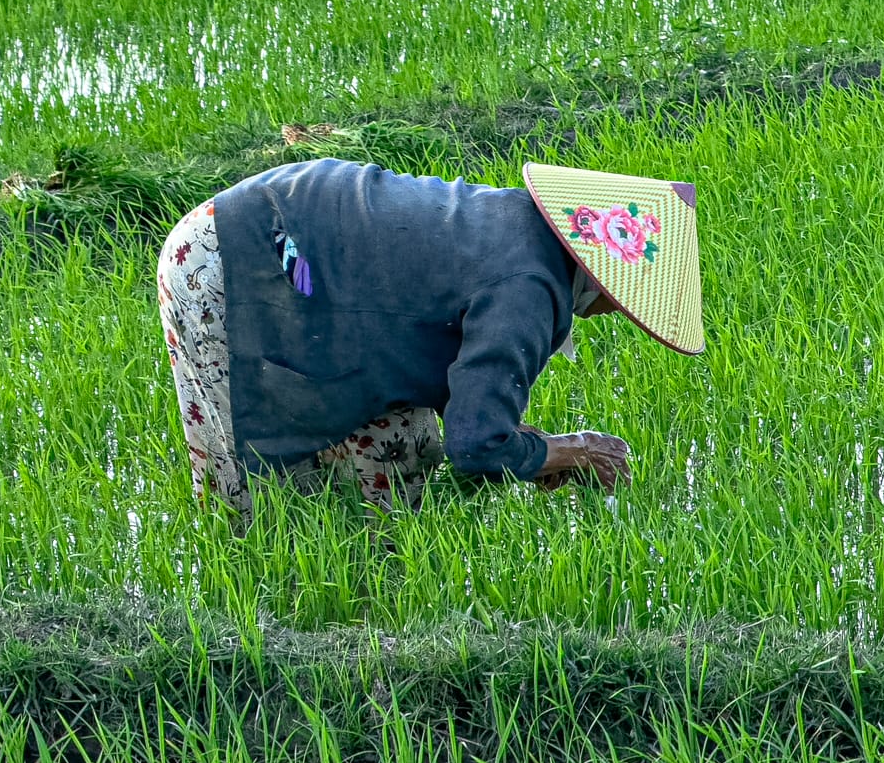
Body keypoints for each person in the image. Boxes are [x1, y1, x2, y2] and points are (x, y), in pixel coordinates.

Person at [155, 157, 704, 521]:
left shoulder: (526, 228)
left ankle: (371, 614)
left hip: (312, 260)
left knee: (399, 467)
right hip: (236, 255)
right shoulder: (531, 287)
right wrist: (570, 452)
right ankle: (245, 622)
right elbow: (477, 446)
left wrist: (534, 452)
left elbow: (454, 377)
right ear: (610, 279)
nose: (619, 313)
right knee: (251, 494)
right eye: (628, 300)